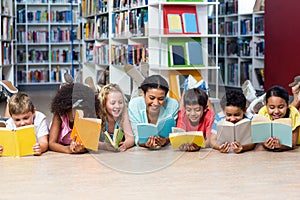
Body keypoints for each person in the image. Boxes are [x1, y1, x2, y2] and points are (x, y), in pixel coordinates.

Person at [128, 74, 179, 149]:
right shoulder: (134, 105)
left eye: (161, 99)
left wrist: (165, 141)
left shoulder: (172, 105)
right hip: (141, 152)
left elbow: (174, 134)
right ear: (143, 93)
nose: (156, 103)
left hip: (166, 151)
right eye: (151, 98)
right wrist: (145, 144)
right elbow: (136, 137)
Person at [49, 82, 100, 154]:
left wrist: (82, 149)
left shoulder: (89, 117)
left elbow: (91, 145)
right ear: (67, 107)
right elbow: (51, 143)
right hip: (63, 148)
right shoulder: (60, 115)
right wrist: (68, 149)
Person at [258, 85, 300, 151]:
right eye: (272, 107)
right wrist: (265, 144)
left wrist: (281, 146)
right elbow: (261, 138)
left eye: (281, 107)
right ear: (266, 105)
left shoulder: (293, 113)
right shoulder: (263, 112)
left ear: (288, 104)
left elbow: (293, 143)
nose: (276, 111)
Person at [98, 83, 134, 151]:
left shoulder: (124, 113)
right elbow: (90, 142)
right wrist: (104, 146)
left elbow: (130, 138)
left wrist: (125, 145)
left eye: (120, 102)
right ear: (104, 104)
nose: (117, 106)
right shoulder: (99, 115)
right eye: (112, 103)